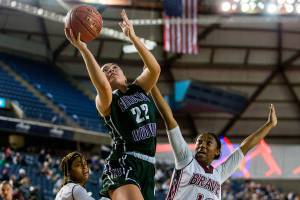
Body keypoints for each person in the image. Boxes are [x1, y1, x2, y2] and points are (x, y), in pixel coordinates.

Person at [65, 10, 160, 200]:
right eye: (105, 70)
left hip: (148, 166)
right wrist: (84, 49)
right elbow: (101, 86)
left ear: (125, 75)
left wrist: (132, 37)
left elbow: (154, 69)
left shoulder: (139, 88)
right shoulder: (107, 100)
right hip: (123, 161)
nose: (110, 70)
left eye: (115, 67)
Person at [150, 85, 277, 200]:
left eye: (208, 142)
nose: (202, 145)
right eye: (199, 142)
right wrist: (153, 84)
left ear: (217, 151)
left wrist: (269, 125)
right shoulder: (186, 160)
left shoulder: (219, 173)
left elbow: (245, 147)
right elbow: (169, 118)